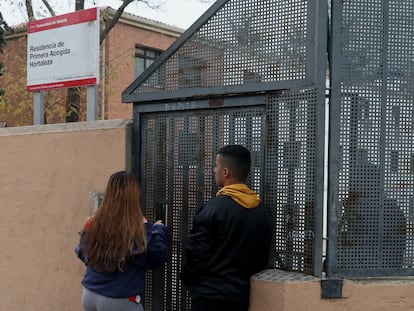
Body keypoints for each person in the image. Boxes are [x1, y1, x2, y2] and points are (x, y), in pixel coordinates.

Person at [181, 145, 273, 311]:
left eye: (216, 166)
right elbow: (261, 258)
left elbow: (194, 255)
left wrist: (195, 284)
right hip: (241, 298)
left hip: (209, 298)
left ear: (226, 172)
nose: (214, 170)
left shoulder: (213, 209)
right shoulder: (261, 212)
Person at [75, 170, 169, 311]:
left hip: (90, 294)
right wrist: (159, 230)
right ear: (134, 195)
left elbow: (81, 252)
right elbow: (157, 253)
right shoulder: (136, 227)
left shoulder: (94, 222)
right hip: (119, 298)